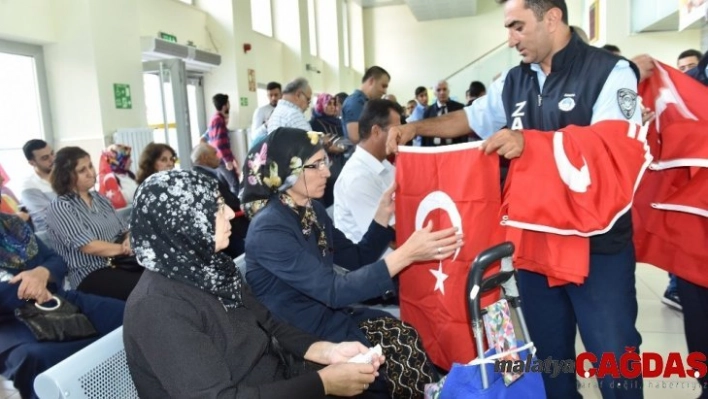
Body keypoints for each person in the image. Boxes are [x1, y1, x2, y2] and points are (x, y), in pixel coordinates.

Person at [386, 1, 643, 397]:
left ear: (552, 18)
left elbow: (615, 147)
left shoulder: (610, 72)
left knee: (614, 360)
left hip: (596, 248)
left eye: (518, 27)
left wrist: (532, 145)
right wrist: (414, 127)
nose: (511, 39)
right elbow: (470, 119)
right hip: (534, 245)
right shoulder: (513, 81)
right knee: (552, 360)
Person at [123, 169, 384, 399]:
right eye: (215, 207)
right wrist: (323, 384)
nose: (229, 213)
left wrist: (326, 351)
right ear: (181, 224)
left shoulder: (213, 269)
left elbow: (268, 323)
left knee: (373, 382)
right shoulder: (158, 307)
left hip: (273, 381)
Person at [242, 127, 462, 397]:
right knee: (387, 365)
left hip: (331, 318)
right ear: (288, 171)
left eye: (326, 161)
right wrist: (406, 255)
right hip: (300, 339)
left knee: (403, 337)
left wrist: (381, 218)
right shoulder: (269, 229)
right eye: (317, 165)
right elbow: (334, 290)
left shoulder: (312, 210)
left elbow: (356, 258)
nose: (327, 172)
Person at [0, 213, 124, 399]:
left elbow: (54, 259)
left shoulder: (11, 225)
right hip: (9, 322)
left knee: (128, 315)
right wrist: (27, 287)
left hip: (57, 301)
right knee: (37, 356)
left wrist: (43, 272)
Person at [46, 147, 141, 300]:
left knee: (160, 277)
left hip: (121, 263)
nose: (91, 173)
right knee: (146, 288)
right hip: (89, 274)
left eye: (90, 166)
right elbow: (88, 246)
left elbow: (123, 230)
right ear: (66, 176)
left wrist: (129, 239)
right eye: (82, 170)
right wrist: (126, 249)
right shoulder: (61, 206)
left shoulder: (100, 199)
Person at [191, 143, 247, 257]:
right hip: (230, 228)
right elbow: (230, 204)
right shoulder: (205, 178)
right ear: (204, 158)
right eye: (215, 153)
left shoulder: (203, 175)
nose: (219, 156)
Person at [341, 66, 391, 144]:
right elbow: (355, 137)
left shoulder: (368, 103)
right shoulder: (355, 102)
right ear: (371, 81)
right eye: (383, 86)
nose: (385, 91)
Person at [20, 140, 56, 232]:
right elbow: (51, 218)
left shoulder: (66, 177)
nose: (52, 159)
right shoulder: (28, 186)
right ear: (32, 163)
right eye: (45, 158)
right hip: (51, 237)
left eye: (52, 153)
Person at [97, 144, 138, 209]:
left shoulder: (130, 175)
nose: (131, 161)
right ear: (117, 160)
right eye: (127, 158)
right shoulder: (110, 180)